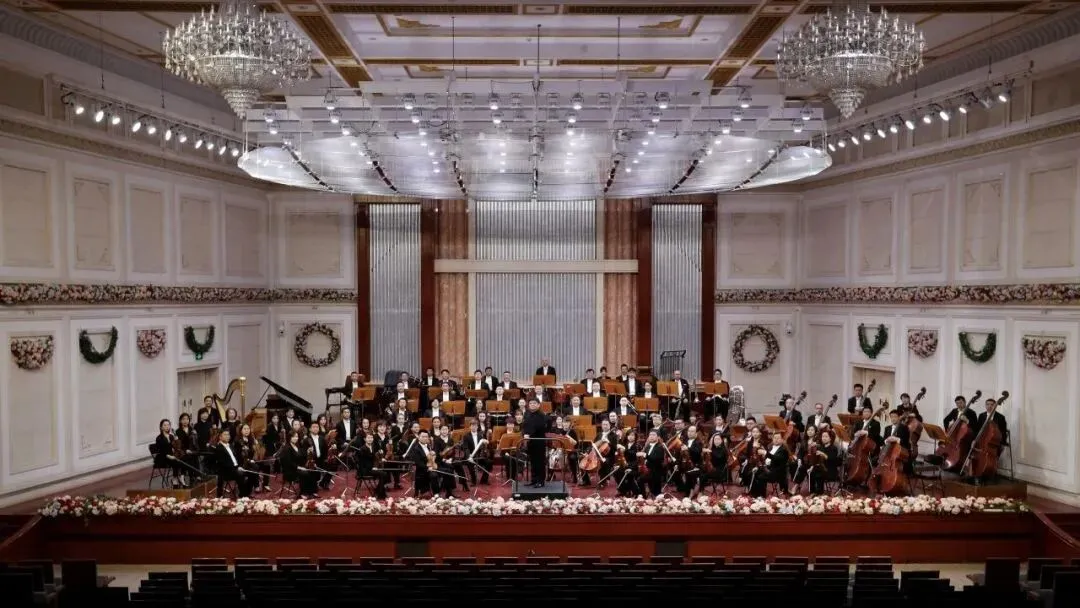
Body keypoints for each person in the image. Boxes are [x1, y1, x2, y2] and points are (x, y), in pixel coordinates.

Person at [213, 428, 252, 498]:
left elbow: (236, 458)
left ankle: (247, 493)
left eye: (228, 435)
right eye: (225, 435)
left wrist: (240, 466)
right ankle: (243, 495)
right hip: (227, 471)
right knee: (240, 474)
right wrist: (236, 468)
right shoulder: (219, 448)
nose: (227, 436)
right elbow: (224, 463)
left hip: (235, 468)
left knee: (251, 472)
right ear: (220, 437)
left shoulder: (230, 445)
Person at [522, 398, 549, 488]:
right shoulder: (527, 414)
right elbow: (524, 426)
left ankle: (540, 481)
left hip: (539, 442)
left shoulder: (541, 415)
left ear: (538, 405)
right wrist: (524, 434)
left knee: (539, 462)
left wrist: (529, 434)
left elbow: (538, 426)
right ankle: (534, 480)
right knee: (533, 462)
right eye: (530, 403)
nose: (532, 405)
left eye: (534, 403)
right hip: (531, 442)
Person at [639, 429, 666, 497]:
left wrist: (645, 455)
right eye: (650, 435)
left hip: (655, 471)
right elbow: (645, 458)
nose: (651, 436)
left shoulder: (660, 447)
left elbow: (656, 460)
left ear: (658, 437)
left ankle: (644, 496)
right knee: (639, 478)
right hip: (648, 470)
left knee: (641, 480)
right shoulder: (648, 446)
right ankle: (643, 495)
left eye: (653, 435)